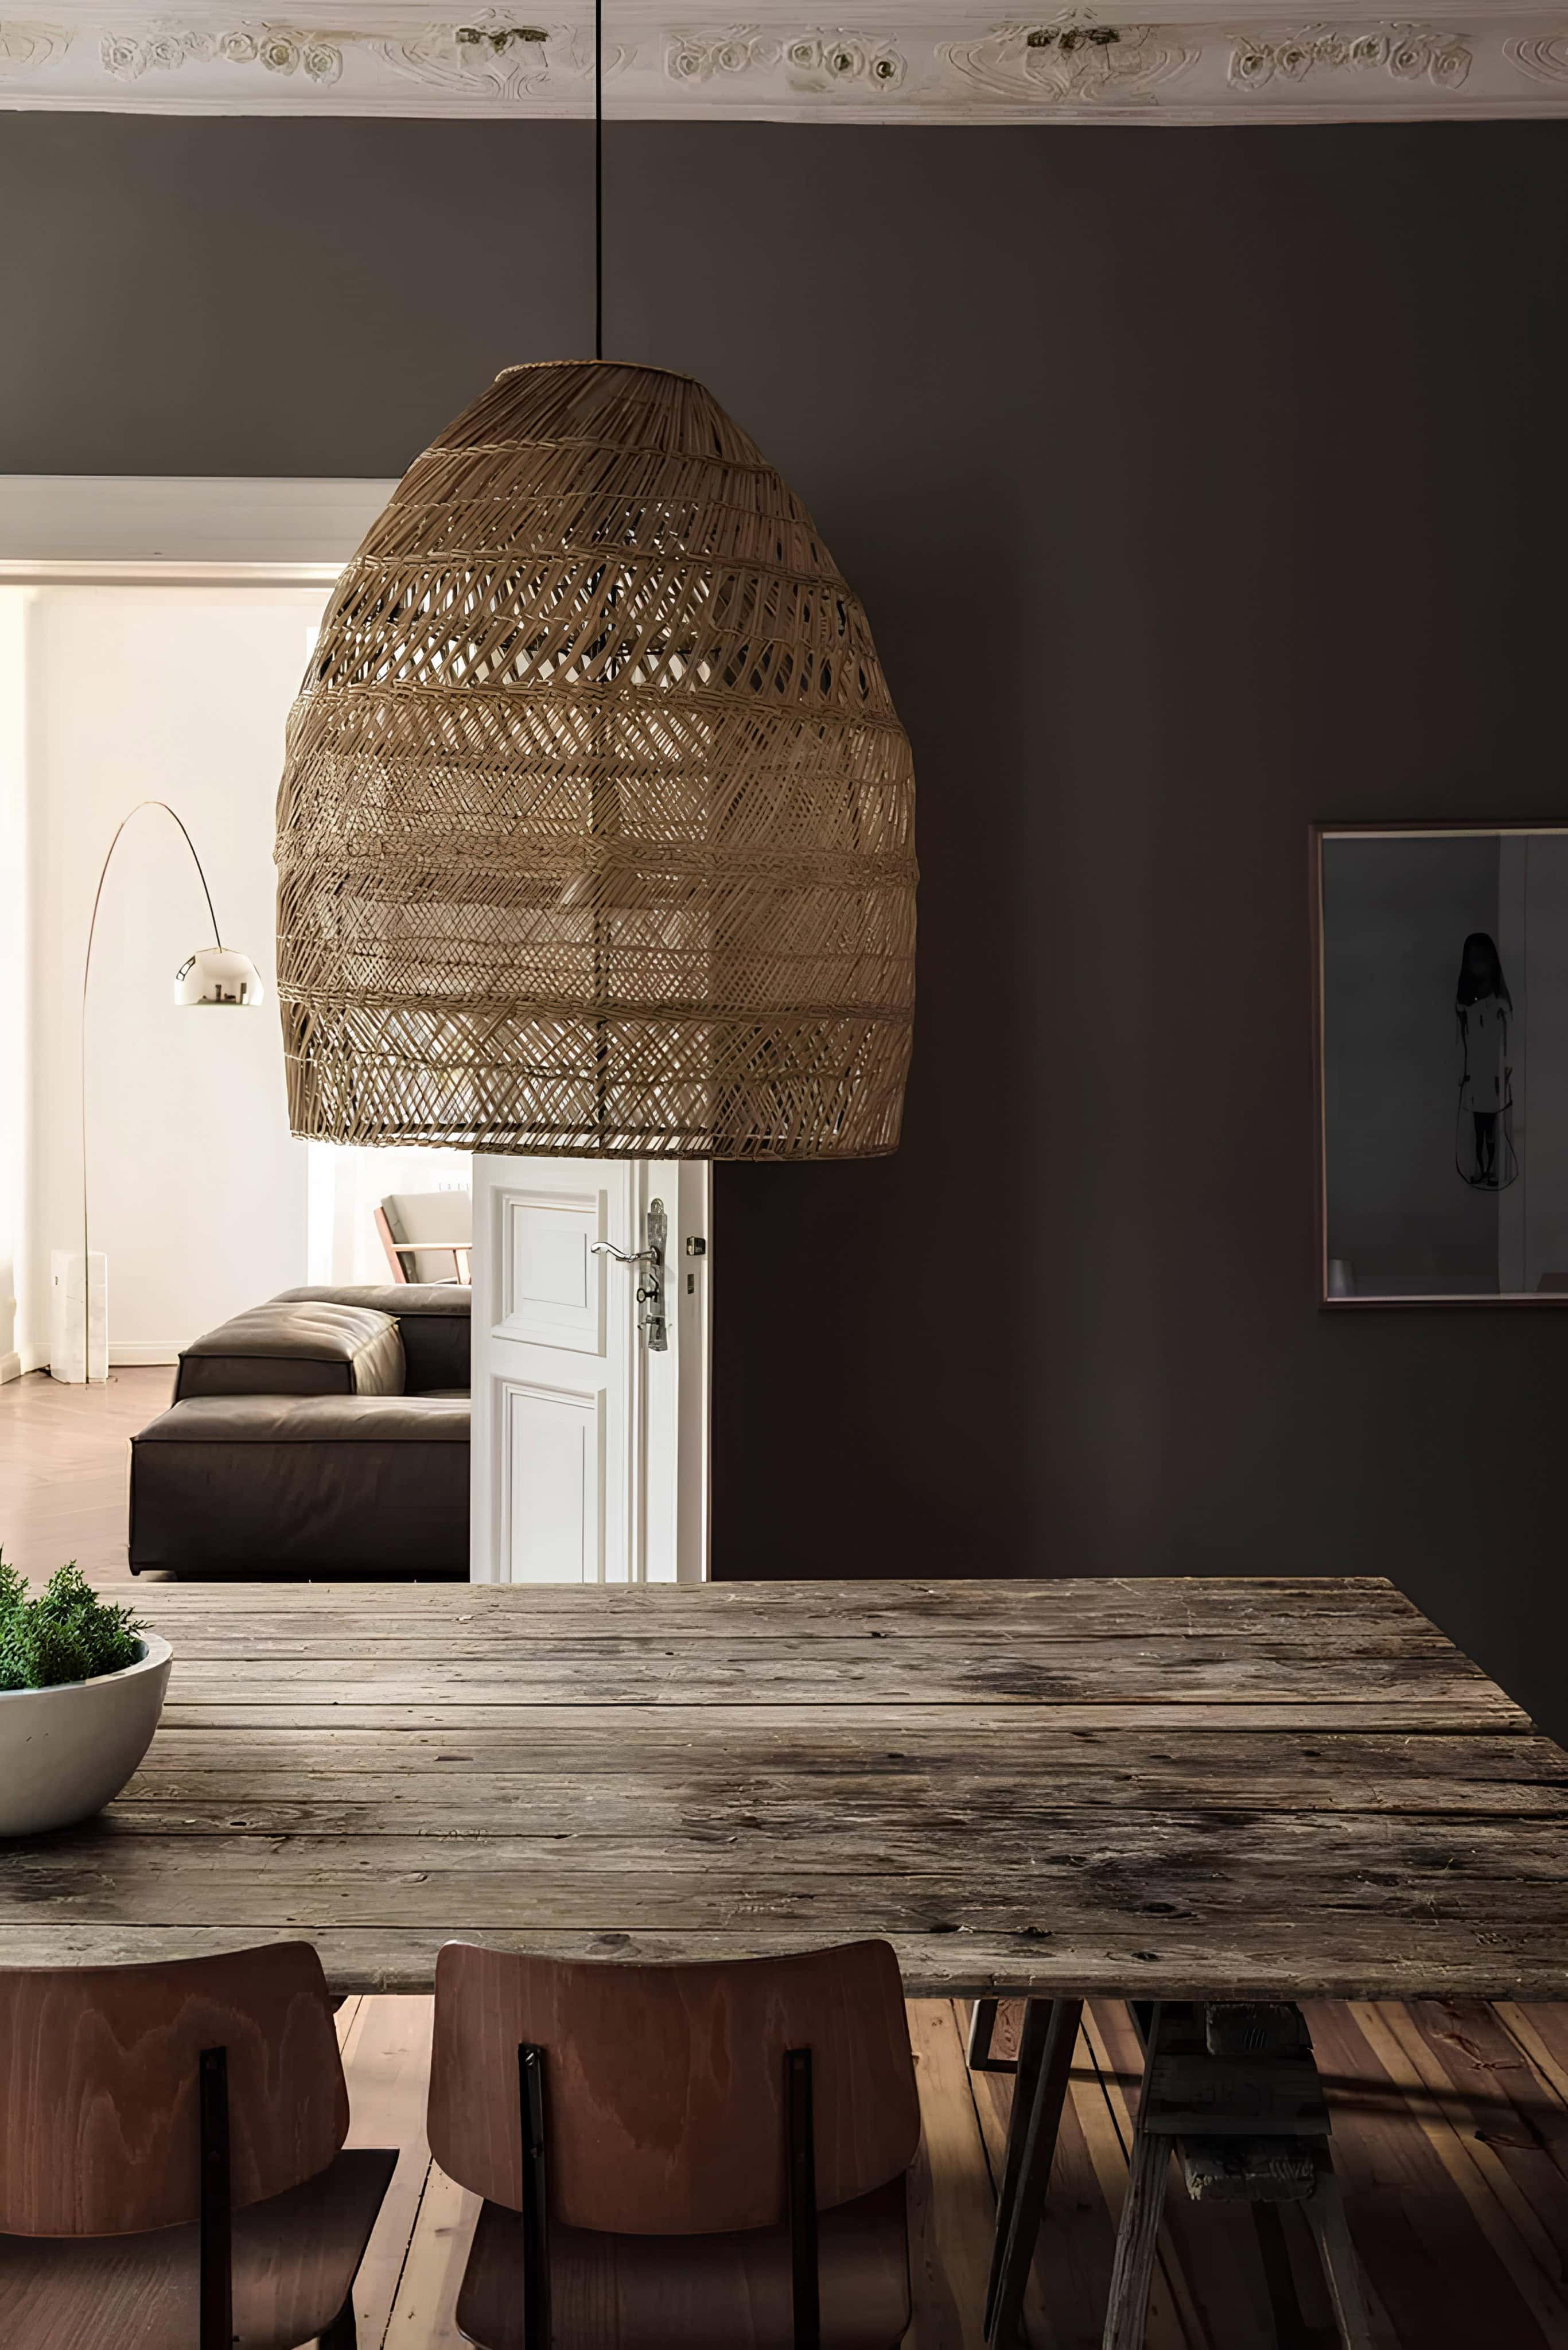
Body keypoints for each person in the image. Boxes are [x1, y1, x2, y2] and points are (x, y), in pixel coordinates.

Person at [1456, 931, 1518, 1190]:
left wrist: (1506, 1069)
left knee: (1493, 1128)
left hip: (1494, 1076)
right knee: (1478, 1128)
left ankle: (1493, 1170)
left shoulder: (1501, 1003)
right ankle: (1481, 1170)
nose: (1479, 965)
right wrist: (1462, 1072)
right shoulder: (1464, 1004)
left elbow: (1511, 1038)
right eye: (1474, 960)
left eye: (1483, 959)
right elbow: (1461, 1041)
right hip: (1475, 1075)